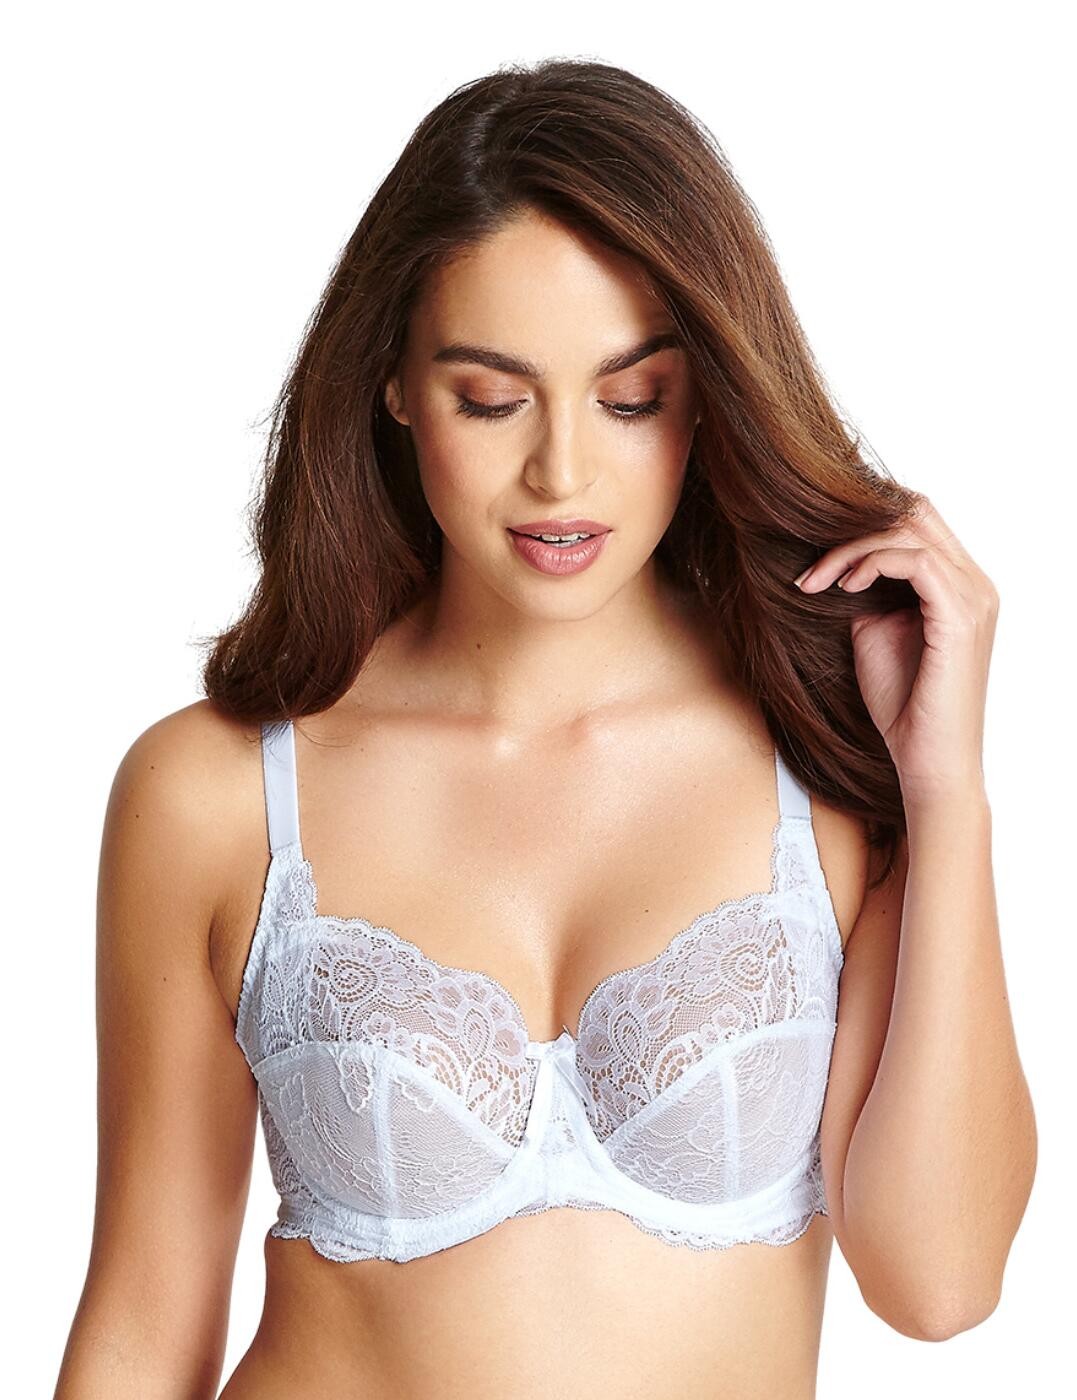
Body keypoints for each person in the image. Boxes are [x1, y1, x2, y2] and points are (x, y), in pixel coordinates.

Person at [53, 57, 1035, 1400]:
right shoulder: (215, 793)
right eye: (490, 398)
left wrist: (947, 795)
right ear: (394, 383)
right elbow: (142, 1321)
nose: (560, 471)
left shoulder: (827, 762)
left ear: (705, 393)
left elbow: (939, 1283)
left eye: (630, 401)